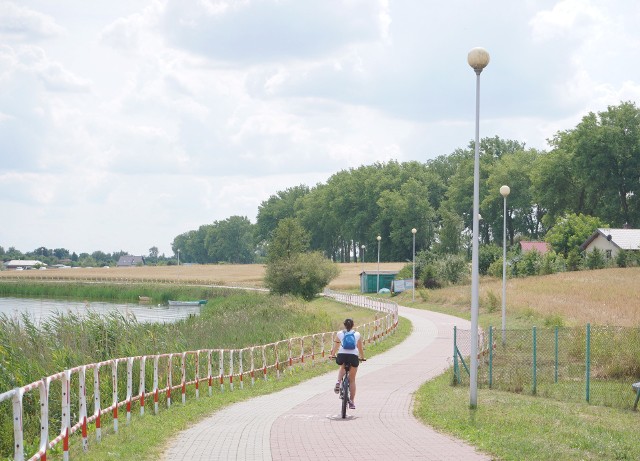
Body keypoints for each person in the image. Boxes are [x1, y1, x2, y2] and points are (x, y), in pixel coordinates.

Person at [330, 318, 365, 410]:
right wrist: (362, 357)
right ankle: (352, 402)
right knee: (352, 379)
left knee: (342, 367)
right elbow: (360, 348)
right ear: (353, 325)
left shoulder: (339, 333)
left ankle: (338, 381)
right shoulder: (357, 334)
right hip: (353, 356)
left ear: (344, 325)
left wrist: (332, 355)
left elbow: (336, 346)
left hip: (342, 355)